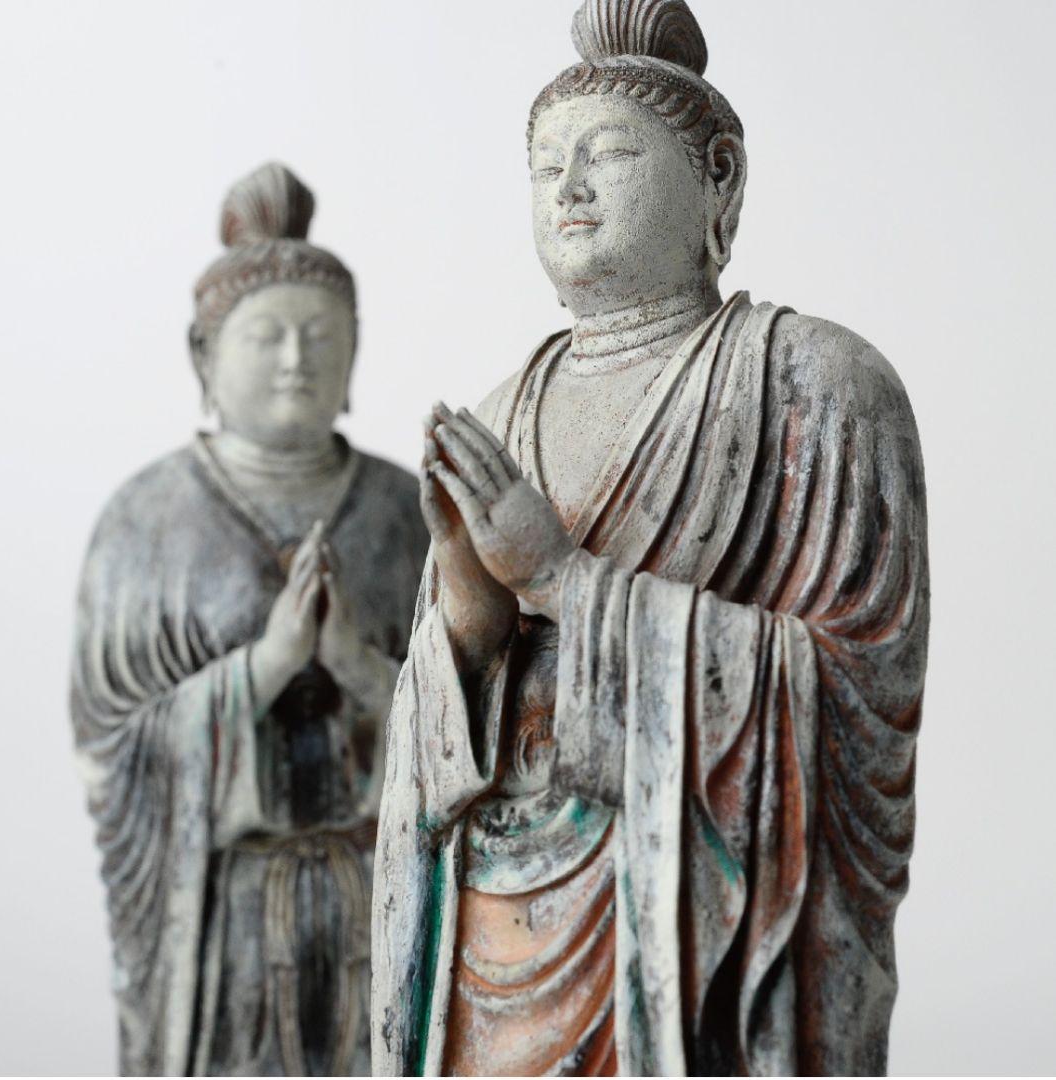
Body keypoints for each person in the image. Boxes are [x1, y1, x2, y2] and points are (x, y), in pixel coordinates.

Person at [371, 2, 929, 1075]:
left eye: (609, 155)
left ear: (718, 177)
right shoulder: (501, 411)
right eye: (546, 166)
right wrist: (468, 602)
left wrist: (561, 579)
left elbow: (858, 694)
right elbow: (437, 744)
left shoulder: (815, 385)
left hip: (688, 914)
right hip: (496, 913)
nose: (569, 188)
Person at [72, 162, 428, 1076]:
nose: (295, 359)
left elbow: (482, 726)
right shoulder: (144, 522)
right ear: (203, 355)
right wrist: (264, 667)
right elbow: (111, 748)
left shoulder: (408, 514)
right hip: (226, 912)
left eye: (322, 335)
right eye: (266, 335)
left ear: (356, 351)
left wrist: (356, 666)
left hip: (380, 896)